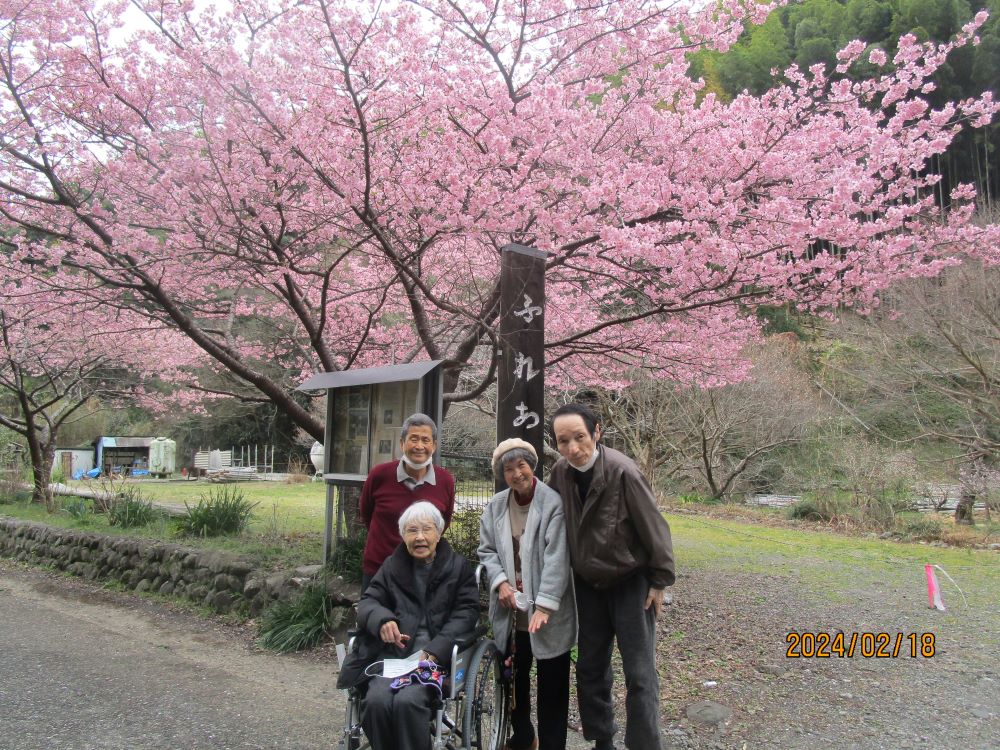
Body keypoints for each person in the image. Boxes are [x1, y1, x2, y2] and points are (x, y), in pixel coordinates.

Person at [549, 403, 675, 750]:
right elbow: (549, 521)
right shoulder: (560, 472)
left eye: (579, 437)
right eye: (563, 441)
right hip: (588, 585)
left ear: (597, 433)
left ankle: (644, 744)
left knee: (639, 672)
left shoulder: (623, 471)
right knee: (590, 667)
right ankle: (601, 738)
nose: (572, 448)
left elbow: (654, 527)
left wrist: (660, 579)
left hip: (630, 583)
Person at [337, 501, 480, 750]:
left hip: (435, 659)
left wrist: (436, 650)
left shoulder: (457, 567)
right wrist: (383, 620)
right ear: (403, 536)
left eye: (426, 529)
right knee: (376, 700)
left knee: (408, 702)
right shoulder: (393, 566)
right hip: (394, 657)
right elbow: (369, 601)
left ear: (439, 532)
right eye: (412, 531)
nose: (420, 537)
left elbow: (466, 614)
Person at [478, 438, 576, 750]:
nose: (517, 473)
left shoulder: (551, 503)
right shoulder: (495, 506)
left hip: (547, 615)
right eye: (508, 469)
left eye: (521, 465)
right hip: (513, 613)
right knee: (513, 682)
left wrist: (545, 605)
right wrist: (500, 583)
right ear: (501, 474)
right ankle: (522, 737)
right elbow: (487, 550)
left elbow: (557, 557)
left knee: (552, 686)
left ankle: (551, 745)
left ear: (532, 465)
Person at [360, 413, 455, 590]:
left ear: (434, 446)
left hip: (422, 571)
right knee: (375, 616)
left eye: (426, 440)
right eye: (414, 439)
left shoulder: (445, 481)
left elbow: (443, 523)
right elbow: (366, 514)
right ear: (402, 443)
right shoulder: (379, 475)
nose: (419, 446)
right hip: (379, 569)